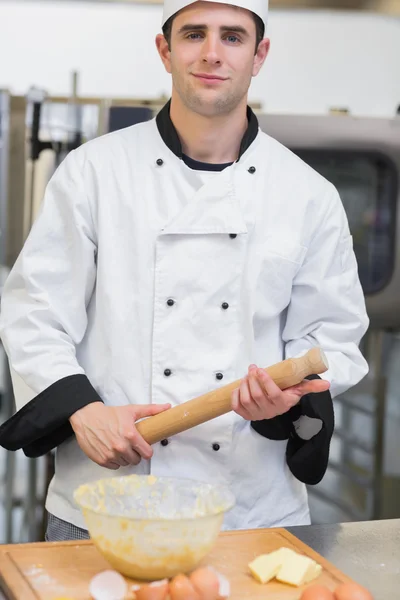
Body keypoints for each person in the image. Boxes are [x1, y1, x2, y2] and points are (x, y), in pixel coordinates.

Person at [0, 0, 369, 542]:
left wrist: (285, 400)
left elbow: (333, 340)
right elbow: (35, 312)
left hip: (249, 512)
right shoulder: (93, 174)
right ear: (164, 49)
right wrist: (83, 410)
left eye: (233, 37)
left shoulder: (307, 194)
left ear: (260, 53)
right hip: (105, 502)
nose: (213, 53)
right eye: (194, 34)